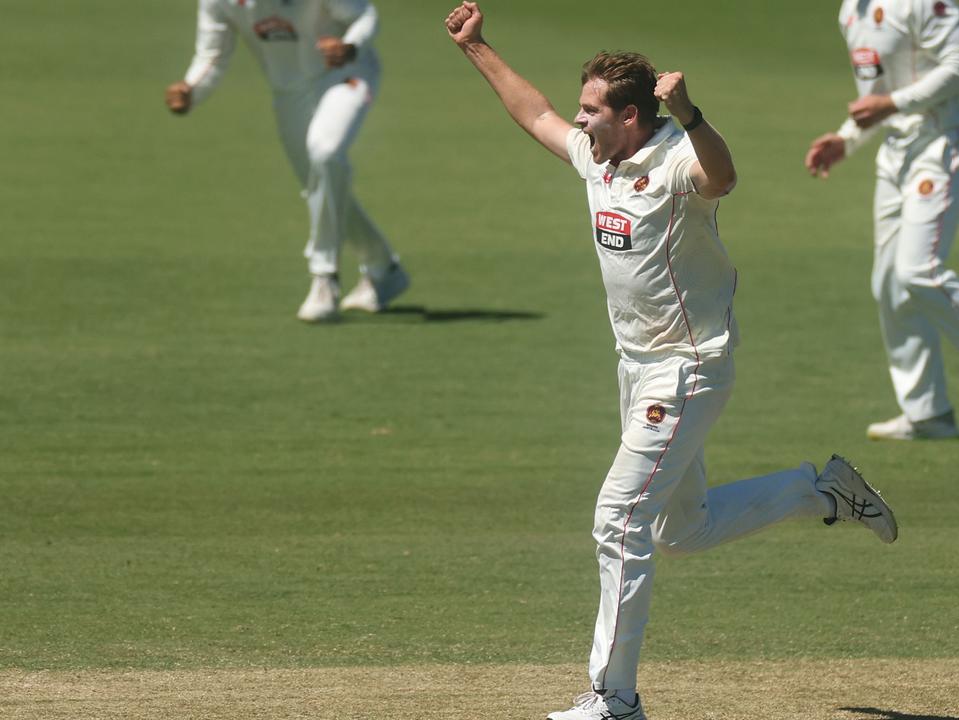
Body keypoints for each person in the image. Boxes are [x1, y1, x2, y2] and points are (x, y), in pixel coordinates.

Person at [444, 3, 898, 718]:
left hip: (687, 368)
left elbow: (724, 176)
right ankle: (822, 492)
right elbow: (533, 114)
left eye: (593, 109)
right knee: (678, 532)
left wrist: (690, 115)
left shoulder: (675, 163)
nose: (580, 118)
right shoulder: (599, 155)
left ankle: (614, 697)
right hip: (636, 368)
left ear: (632, 116)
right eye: (583, 106)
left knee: (618, 518)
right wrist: (478, 47)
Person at [805, 0, 959, 440]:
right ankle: (928, 412)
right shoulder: (851, 13)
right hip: (899, 151)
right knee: (888, 282)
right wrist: (846, 139)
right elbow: (873, 99)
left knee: (917, 269)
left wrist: (893, 103)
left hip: (947, 142)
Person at [165, 0, 410, 322]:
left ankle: (324, 276)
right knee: (322, 184)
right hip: (289, 93)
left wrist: (351, 46)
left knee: (325, 153)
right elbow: (213, 53)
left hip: (345, 73)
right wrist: (192, 89)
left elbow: (364, 14)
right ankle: (384, 268)